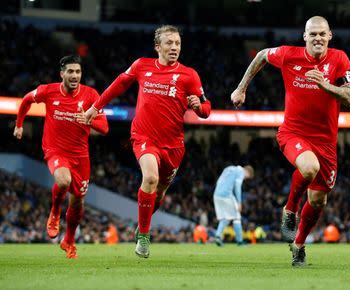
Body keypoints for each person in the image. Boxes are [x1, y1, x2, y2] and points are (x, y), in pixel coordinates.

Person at [231, 16, 350, 266]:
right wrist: (241, 88)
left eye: (322, 34)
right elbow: (262, 56)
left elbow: (349, 97)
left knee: (319, 200)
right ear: (304, 36)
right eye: (313, 34)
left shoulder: (339, 59)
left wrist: (325, 85)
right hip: (293, 132)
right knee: (309, 167)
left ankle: (298, 246)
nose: (318, 38)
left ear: (330, 36)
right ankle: (290, 210)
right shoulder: (289, 54)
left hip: (326, 142)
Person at [83, 25, 211, 258]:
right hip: (144, 137)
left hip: (173, 145)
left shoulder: (189, 75)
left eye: (178, 43)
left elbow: (206, 109)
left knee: (160, 192)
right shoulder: (142, 65)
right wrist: (96, 106)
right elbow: (118, 84)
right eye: (169, 43)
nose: (174, 47)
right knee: (150, 177)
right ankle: (143, 236)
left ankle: (142, 224)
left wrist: (198, 106)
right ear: (157, 46)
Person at [13, 55, 109, 259]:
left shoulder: (91, 95)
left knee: (77, 204)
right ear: (62, 73)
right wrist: (19, 124)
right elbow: (27, 100)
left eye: (78, 72)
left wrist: (89, 120)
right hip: (55, 150)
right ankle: (55, 211)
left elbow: (105, 127)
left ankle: (69, 241)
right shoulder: (48, 91)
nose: (75, 75)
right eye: (71, 71)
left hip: (80, 156)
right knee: (63, 180)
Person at [213, 165, 254, 246]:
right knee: (237, 216)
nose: (245, 178)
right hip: (226, 195)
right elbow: (237, 186)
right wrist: (239, 202)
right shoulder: (240, 172)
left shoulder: (229, 168)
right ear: (248, 172)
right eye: (247, 177)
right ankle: (240, 241)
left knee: (226, 218)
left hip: (216, 195)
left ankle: (217, 236)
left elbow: (219, 181)